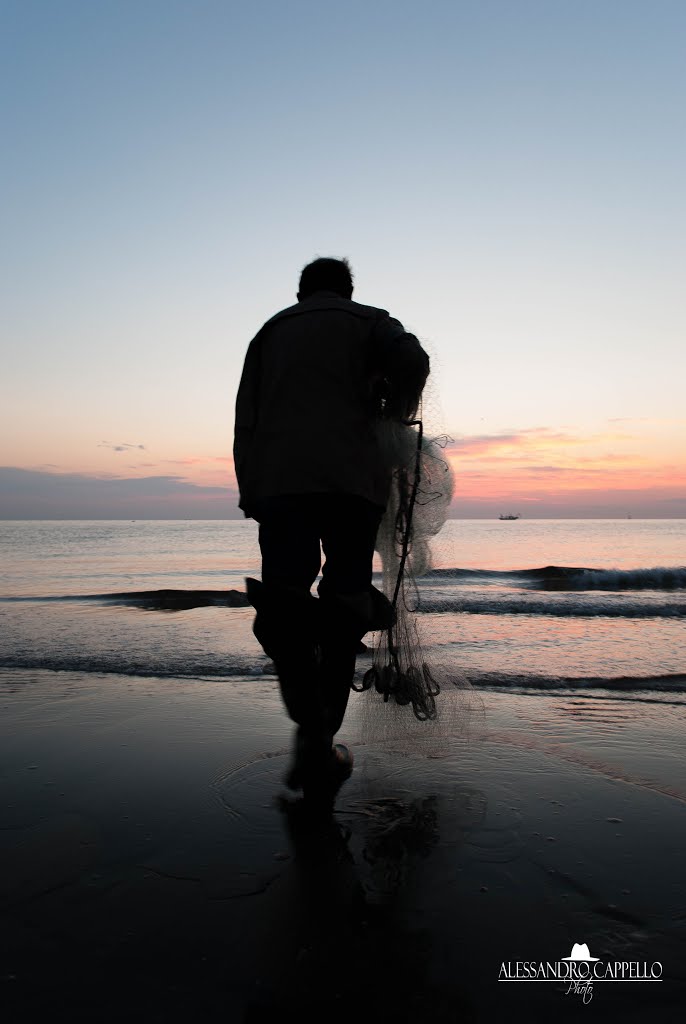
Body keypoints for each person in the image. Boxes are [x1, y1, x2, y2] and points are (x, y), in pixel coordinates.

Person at [233, 257, 429, 808]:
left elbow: (245, 418)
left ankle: (311, 731)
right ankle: (322, 735)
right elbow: (414, 358)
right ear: (346, 289)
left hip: (280, 483)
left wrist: (251, 486)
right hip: (350, 482)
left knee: (287, 604)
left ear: (302, 292)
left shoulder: (270, 332)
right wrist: (396, 409)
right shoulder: (369, 321)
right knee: (345, 600)